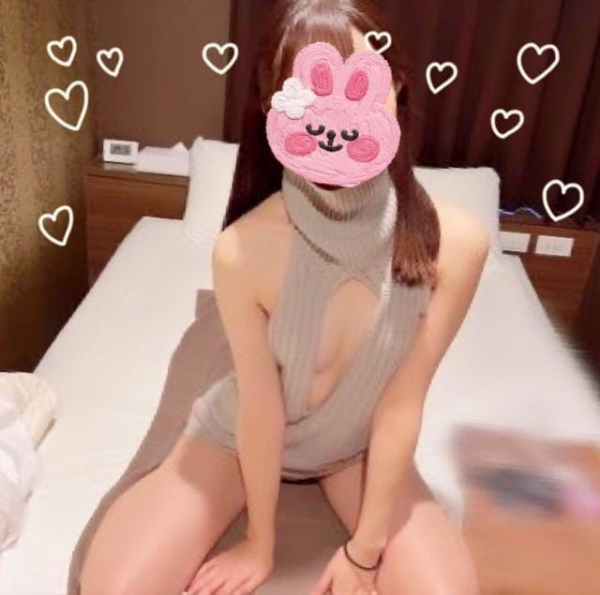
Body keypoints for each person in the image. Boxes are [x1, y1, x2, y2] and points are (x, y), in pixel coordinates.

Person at [80, 1, 488, 594]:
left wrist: (365, 553)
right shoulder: (243, 249)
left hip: (354, 450)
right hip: (238, 439)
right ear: (274, 108)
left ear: (395, 86)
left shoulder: (458, 245)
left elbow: (402, 404)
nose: (337, 112)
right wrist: (260, 543)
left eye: (357, 84)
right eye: (311, 92)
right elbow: (261, 409)